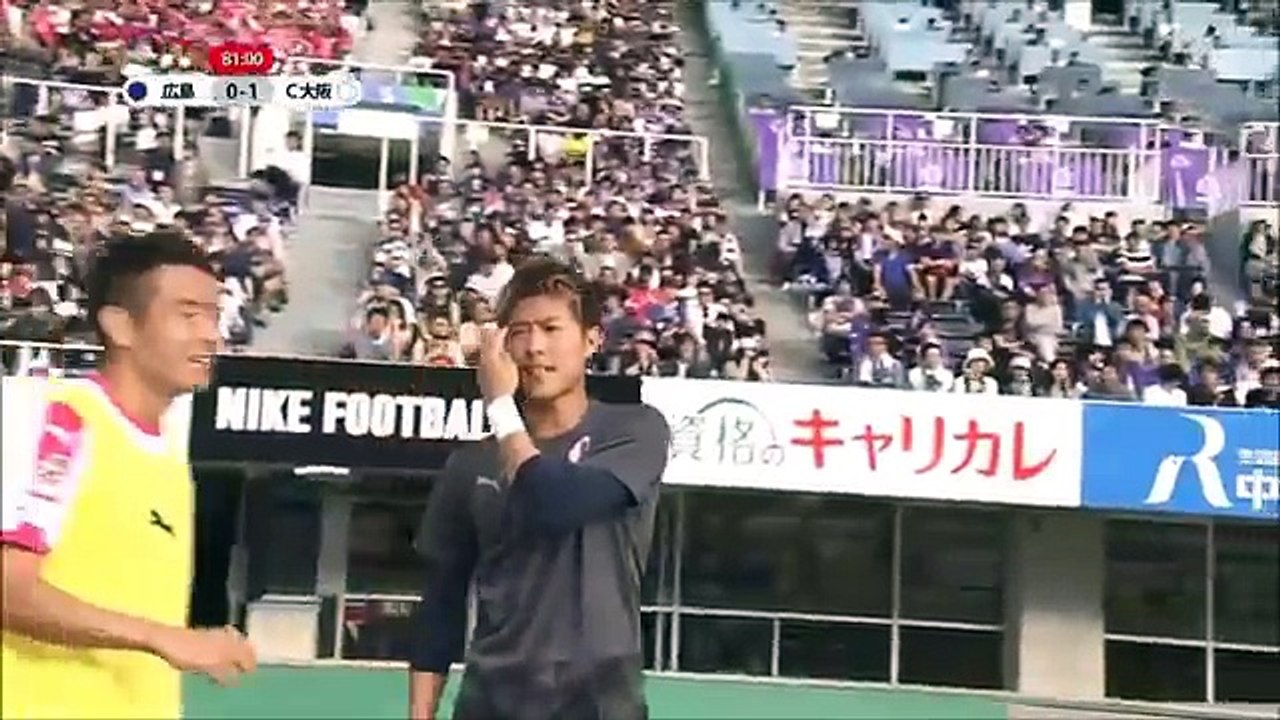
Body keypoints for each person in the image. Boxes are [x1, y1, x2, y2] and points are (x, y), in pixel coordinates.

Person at [1, 231, 257, 719]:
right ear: (120, 325)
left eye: (213, 316)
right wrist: (164, 638)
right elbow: (8, 587)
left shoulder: (166, 457)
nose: (211, 335)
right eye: (188, 315)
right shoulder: (66, 422)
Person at [408, 258, 672, 720]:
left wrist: (499, 407)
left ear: (592, 339)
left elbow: (552, 501)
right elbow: (440, 604)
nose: (534, 347)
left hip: (599, 703)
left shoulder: (634, 431)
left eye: (551, 329)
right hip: (492, 701)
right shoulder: (470, 463)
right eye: (519, 331)